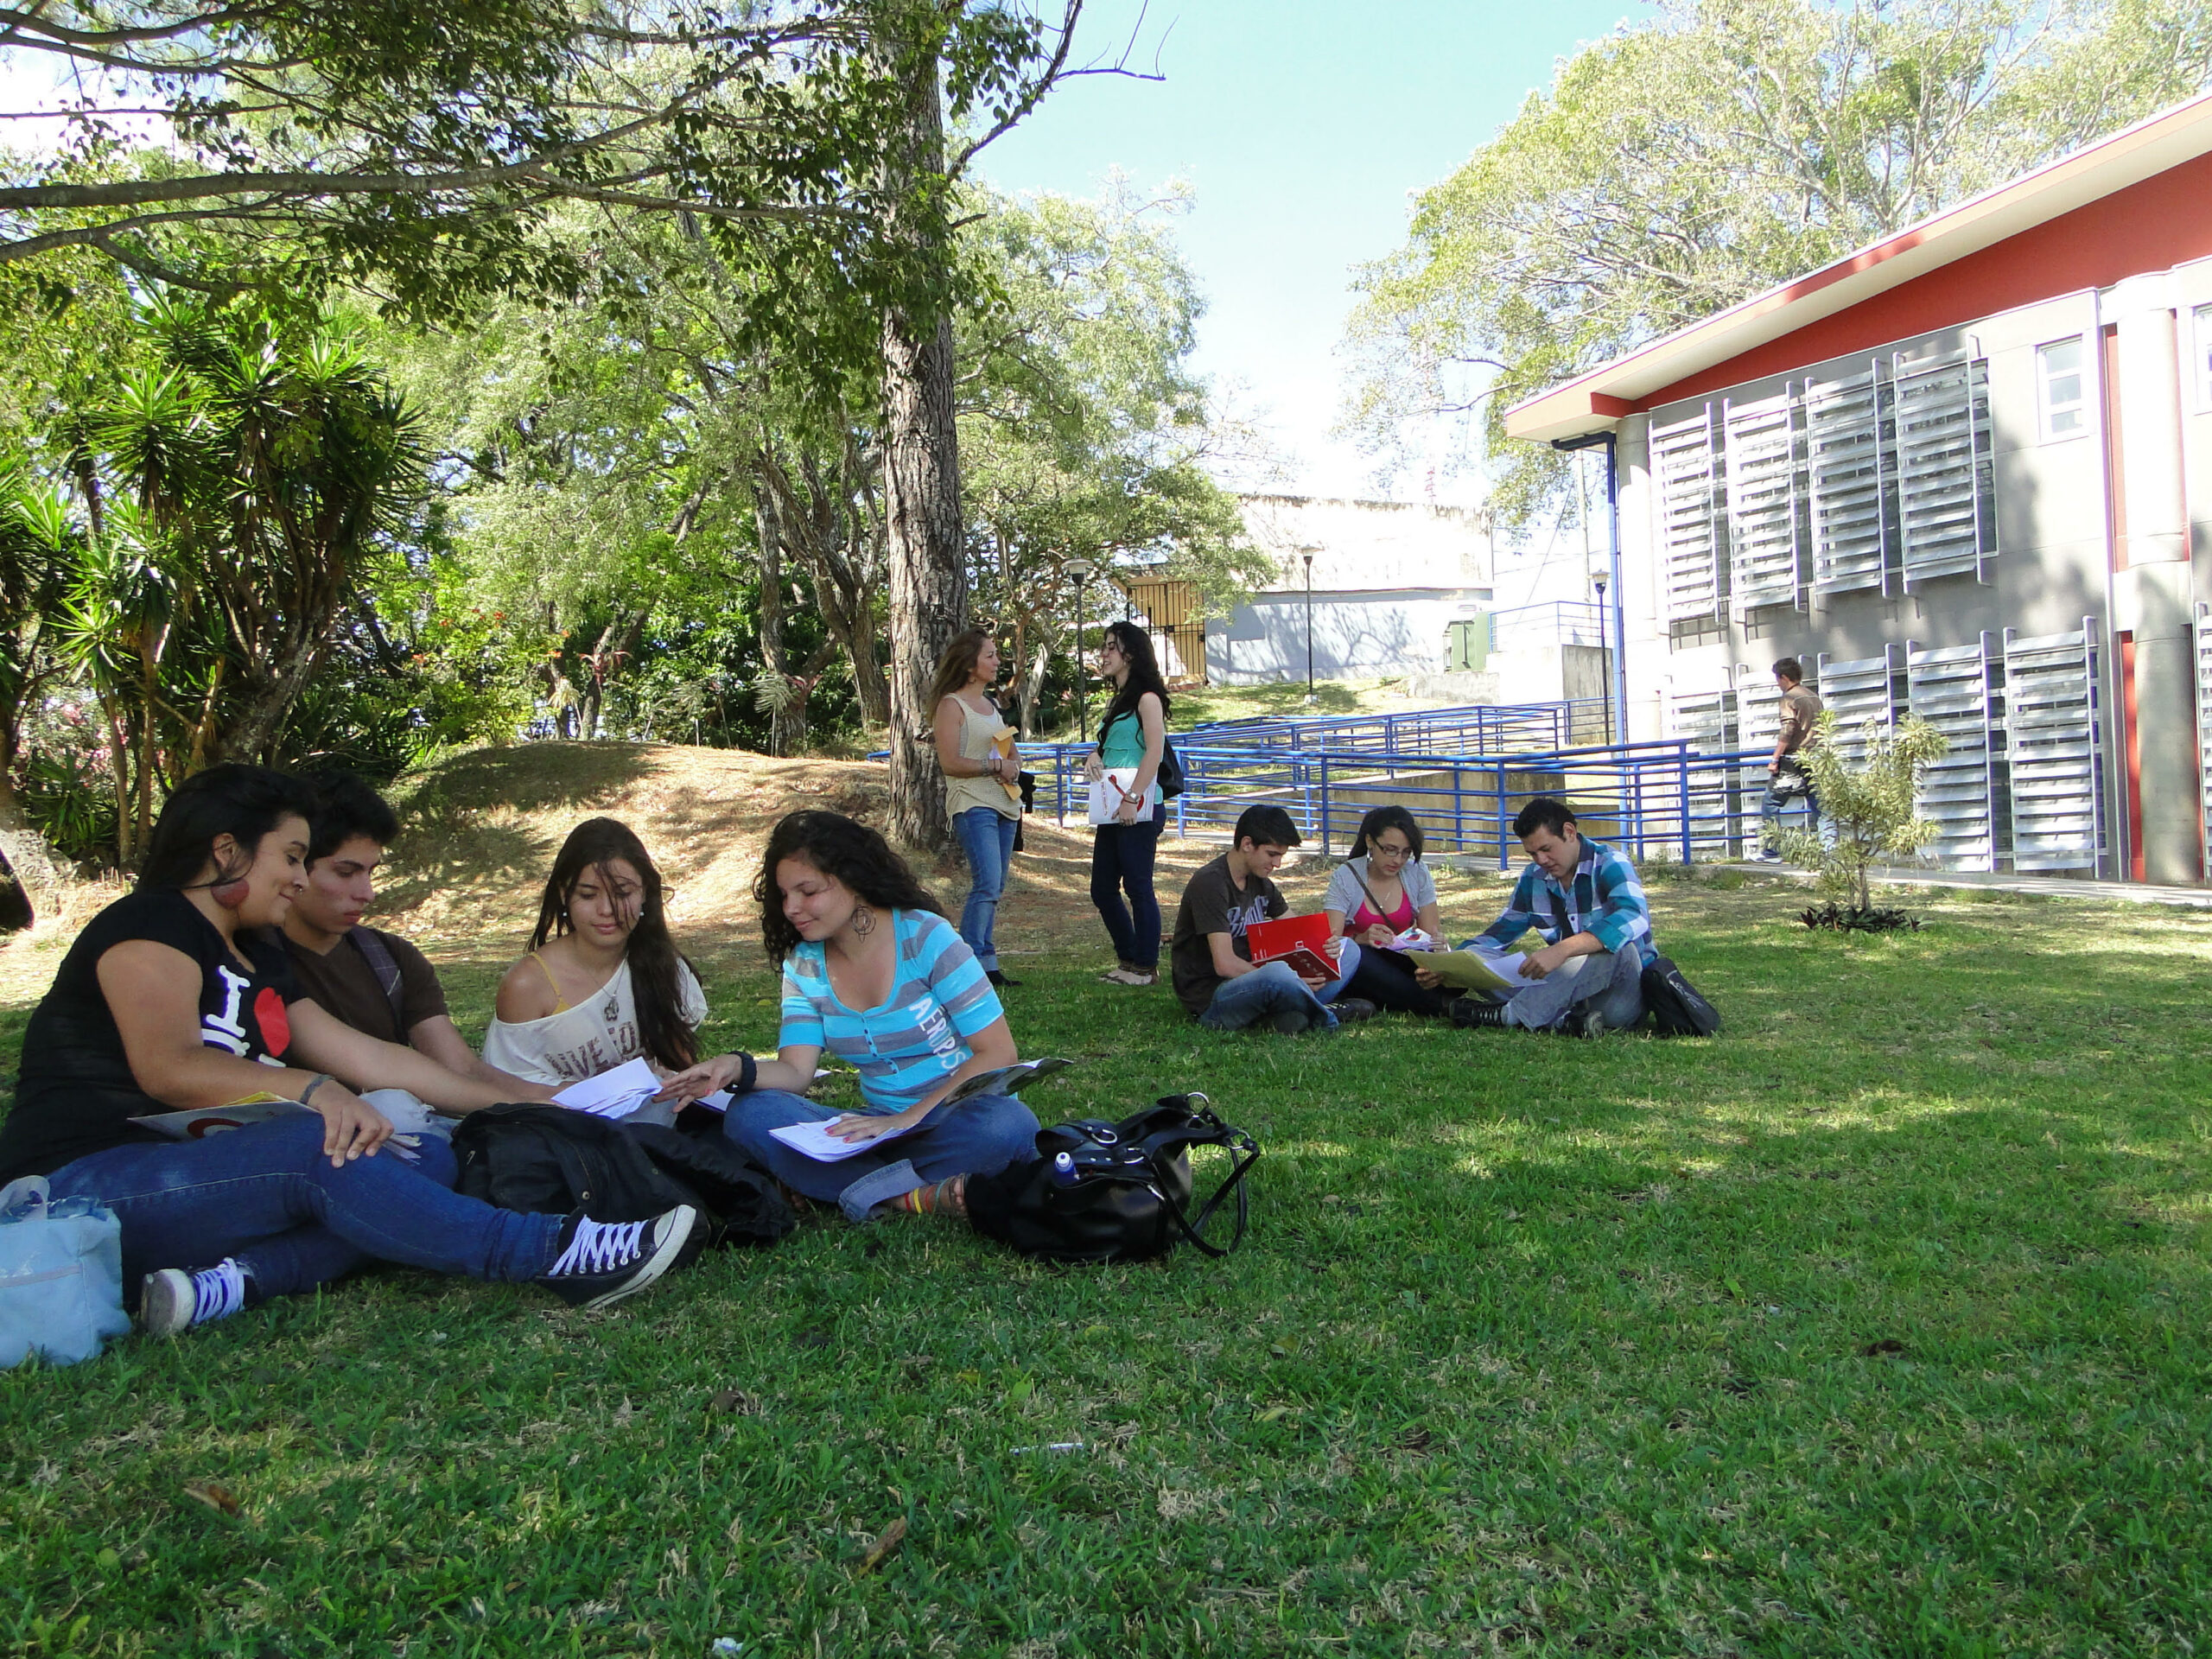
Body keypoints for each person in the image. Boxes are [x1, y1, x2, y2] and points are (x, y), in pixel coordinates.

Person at [0, 766, 702, 1335]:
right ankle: (555, 1250)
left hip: (198, 1181)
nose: (300, 880)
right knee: (322, 1147)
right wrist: (315, 1094)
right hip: (79, 1191)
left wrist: (545, 1103)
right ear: (226, 853)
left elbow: (379, 1061)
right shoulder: (149, 923)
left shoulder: (256, 954)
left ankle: (233, 1282)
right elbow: (172, 1067)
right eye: (294, 858)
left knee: (419, 1153)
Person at [721, 810, 1040, 1223]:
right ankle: (907, 1197)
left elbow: (998, 1053)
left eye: (807, 891)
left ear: (853, 880)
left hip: (956, 1120)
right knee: (751, 1114)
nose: (792, 908)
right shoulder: (804, 966)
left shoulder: (926, 937)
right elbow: (795, 1073)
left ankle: (840, 1183)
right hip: (874, 1132)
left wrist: (905, 1120)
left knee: (1009, 1126)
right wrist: (735, 1067)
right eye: (784, 895)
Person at [278, 772, 540, 1118]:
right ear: (293, 864)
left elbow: (460, 1068)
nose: (367, 893)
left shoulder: (391, 959)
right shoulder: (248, 960)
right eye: (345, 872)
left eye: (371, 872)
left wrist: (563, 1101)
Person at [485, 819, 709, 1088]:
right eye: (588, 896)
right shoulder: (527, 985)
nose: (606, 910)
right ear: (565, 894)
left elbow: (680, 1066)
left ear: (645, 893)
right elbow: (506, 1086)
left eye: (622, 893)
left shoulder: (664, 966)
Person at [1426, 796, 1652, 1038]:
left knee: (1618, 950)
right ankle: (1564, 1021)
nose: (1541, 860)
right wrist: (1450, 965)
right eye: (1533, 853)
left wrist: (1563, 949)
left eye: (1546, 849)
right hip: (1560, 989)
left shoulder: (1610, 862)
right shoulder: (1533, 877)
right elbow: (1500, 933)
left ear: (1569, 832)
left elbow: (1635, 916)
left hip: (1617, 997)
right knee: (1476, 955)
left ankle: (1508, 1015)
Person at [1169, 804, 1371, 1034]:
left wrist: (1325, 948)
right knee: (1278, 974)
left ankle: (1287, 1013)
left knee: (1350, 950)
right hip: (1215, 995)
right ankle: (1324, 1017)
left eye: (1281, 856)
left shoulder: (1260, 881)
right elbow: (1224, 964)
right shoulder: (1210, 883)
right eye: (1272, 854)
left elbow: (1300, 932)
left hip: (1260, 979)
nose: (1277, 864)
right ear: (1247, 844)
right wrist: (1291, 982)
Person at [930, 628, 1024, 989]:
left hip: (1005, 804)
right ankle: (969, 965)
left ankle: (987, 961)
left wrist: (1012, 764)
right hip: (973, 803)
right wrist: (993, 767)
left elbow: (1008, 749)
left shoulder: (992, 706)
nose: (997, 661)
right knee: (985, 882)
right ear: (970, 664)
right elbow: (951, 762)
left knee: (996, 885)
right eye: (990, 655)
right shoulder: (951, 706)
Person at [1083, 620, 1169, 987]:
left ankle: (1146, 967)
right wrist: (1092, 755)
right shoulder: (1118, 701)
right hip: (1111, 808)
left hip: (1139, 808)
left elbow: (1155, 750)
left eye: (1110, 647)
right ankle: (1129, 958)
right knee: (1102, 888)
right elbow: (1114, 748)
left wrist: (1134, 798)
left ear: (1130, 654)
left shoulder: (1147, 698)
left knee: (1137, 885)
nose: (1103, 654)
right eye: (1104, 647)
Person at [1321, 805, 1456, 1017]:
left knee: (1449, 973)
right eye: (1390, 850)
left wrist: (1437, 948)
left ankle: (1421, 993)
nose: (1398, 860)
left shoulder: (1417, 873)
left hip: (1401, 957)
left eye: (1405, 852)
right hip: (1363, 962)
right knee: (1361, 958)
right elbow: (1330, 940)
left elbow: (1430, 933)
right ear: (1369, 842)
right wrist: (1361, 938)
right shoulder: (1347, 876)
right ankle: (1436, 1004)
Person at [1759, 658, 1824, 860]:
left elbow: (1788, 729)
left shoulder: (1790, 698)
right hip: (1816, 758)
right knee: (1819, 806)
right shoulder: (1813, 696)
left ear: (1785, 678)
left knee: (1771, 802)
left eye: (1778, 679)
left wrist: (1775, 758)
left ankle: (1773, 850)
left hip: (1794, 759)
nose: (1778, 684)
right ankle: (1828, 848)